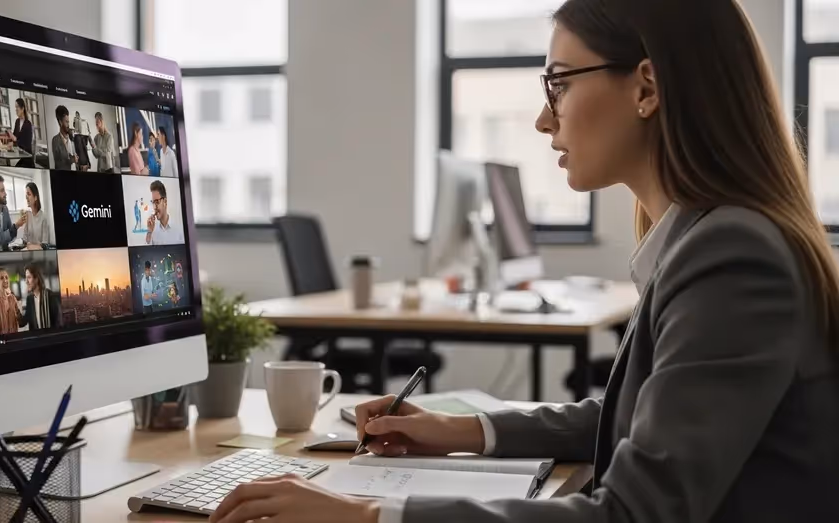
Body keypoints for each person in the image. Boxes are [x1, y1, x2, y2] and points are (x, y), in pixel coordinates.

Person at [209, 1, 839, 523]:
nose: (544, 119)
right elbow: (641, 412)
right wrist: (464, 431)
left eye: (558, 84)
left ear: (646, 87)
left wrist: (370, 517)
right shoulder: (714, 238)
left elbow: (636, 514)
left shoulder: (731, 255)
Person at [19, 264, 61, 330]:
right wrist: (15, 310)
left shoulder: (51, 296)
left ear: (36, 279)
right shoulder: (30, 299)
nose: (26, 281)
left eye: (29, 277)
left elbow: (58, 323)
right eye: (26, 278)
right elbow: (23, 322)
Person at [146, 180, 184, 245]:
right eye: (153, 203)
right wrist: (149, 232)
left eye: (157, 202)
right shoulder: (152, 231)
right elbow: (146, 252)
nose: (154, 207)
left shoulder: (180, 229)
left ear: (165, 202)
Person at [0, 267, 21, 335]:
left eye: (6, 277)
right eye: (2, 278)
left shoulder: (12, 298)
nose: (5, 280)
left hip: (15, 340)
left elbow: (20, 321)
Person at [19, 182, 49, 248]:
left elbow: (45, 245)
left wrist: (31, 246)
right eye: (26, 195)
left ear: (35, 197)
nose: (26, 197)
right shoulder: (28, 215)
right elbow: (24, 240)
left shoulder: (43, 217)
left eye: (28, 194)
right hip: (28, 253)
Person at [8, 98, 34, 168]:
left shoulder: (28, 124)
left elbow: (27, 143)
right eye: (15, 107)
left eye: (17, 107)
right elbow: (15, 136)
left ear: (22, 109)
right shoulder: (17, 121)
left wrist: (15, 141)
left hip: (27, 157)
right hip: (19, 155)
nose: (16, 109)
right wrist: (9, 135)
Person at [51, 105, 78, 170]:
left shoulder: (72, 138)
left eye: (68, 122)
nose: (68, 125)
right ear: (60, 122)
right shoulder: (55, 140)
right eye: (66, 122)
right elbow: (58, 163)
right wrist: (71, 160)